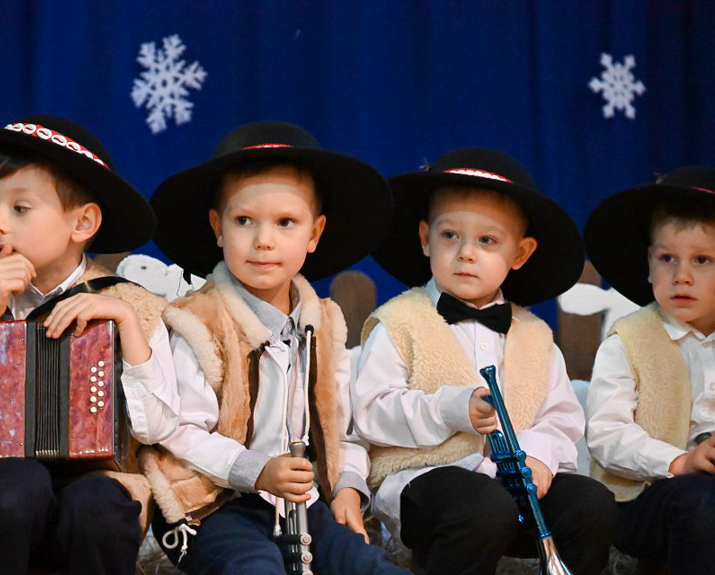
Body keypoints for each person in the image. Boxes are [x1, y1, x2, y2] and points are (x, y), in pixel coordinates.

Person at [0, 114, 179, 575]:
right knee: (18, 482)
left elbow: (158, 429)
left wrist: (127, 327)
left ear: (83, 222)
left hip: (95, 483)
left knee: (100, 502)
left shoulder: (130, 305)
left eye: (20, 208)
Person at [144, 120, 407, 574]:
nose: (263, 240)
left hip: (300, 503)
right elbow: (178, 431)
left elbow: (341, 427)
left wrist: (346, 485)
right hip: (211, 505)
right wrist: (256, 470)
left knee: (368, 566)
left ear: (314, 233)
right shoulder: (197, 321)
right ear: (218, 227)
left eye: (286, 222)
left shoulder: (323, 322)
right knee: (255, 567)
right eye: (244, 220)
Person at [355, 147, 616, 575]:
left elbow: (561, 418)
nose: (466, 253)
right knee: (482, 504)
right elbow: (370, 412)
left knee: (590, 503)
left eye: (487, 240)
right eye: (450, 236)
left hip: (513, 489)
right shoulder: (398, 322)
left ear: (520, 253)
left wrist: (537, 456)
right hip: (425, 484)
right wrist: (451, 408)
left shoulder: (535, 336)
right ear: (425, 238)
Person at [584, 167, 715, 574]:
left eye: (702, 260)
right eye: (667, 259)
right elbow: (606, 435)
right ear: (648, 263)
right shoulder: (630, 340)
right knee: (701, 501)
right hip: (643, 500)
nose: (682, 276)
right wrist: (680, 461)